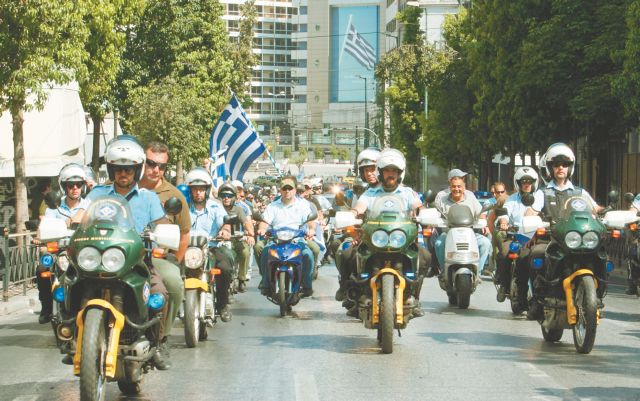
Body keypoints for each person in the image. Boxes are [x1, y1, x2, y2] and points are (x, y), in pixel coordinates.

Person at [85, 135, 174, 370]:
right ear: (112, 169)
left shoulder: (148, 197)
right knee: (66, 284)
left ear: (137, 170)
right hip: (101, 260)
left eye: (129, 169)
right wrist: (68, 225)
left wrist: (162, 238)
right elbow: (80, 217)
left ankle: (156, 343)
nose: (123, 174)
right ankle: (70, 334)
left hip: (137, 262)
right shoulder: (97, 194)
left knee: (159, 294)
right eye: (118, 169)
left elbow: (162, 223)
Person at [348, 148, 430, 317]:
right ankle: (358, 295)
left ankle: (414, 297)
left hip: (401, 241)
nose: (390, 174)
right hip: (375, 241)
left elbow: (418, 206)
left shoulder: (407, 193)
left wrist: (426, 214)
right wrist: (352, 215)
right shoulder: (370, 193)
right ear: (381, 173)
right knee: (351, 254)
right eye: (387, 171)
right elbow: (360, 207)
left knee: (425, 256)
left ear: (400, 173)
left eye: (394, 171)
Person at [526, 143, 603, 317]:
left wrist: (607, 212)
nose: (561, 168)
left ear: (570, 168)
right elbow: (531, 211)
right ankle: (537, 301)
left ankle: (597, 294)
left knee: (601, 255)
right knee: (535, 255)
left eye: (565, 164)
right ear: (550, 167)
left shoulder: (580, 192)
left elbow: (595, 209)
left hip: (577, 239)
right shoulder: (543, 193)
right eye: (556, 164)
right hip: (552, 238)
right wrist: (532, 218)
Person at [138, 141, 189, 349]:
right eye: (150, 163)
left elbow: (184, 235)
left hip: (155, 257)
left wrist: (173, 260)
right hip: (122, 254)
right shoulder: (128, 187)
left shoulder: (174, 195)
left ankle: (161, 337)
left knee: (174, 283)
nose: (155, 170)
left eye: (161, 166)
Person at [37, 163, 89, 324]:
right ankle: (46, 308)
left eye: (78, 184)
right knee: (42, 268)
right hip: (60, 250)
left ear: (83, 186)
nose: (74, 188)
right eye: (70, 185)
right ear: (64, 186)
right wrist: (41, 240)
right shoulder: (55, 207)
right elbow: (43, 228)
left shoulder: (89, 205)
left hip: (84, 250)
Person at [185, 167, 234, 322]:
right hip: (187, 249)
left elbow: (225, 223)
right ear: (190, 190)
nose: (198, 193)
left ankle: (222, 304)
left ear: (206, 190)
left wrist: (225, 231)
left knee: (225, 267)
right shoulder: (183, 206)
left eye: (201, 189)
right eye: (195, 189)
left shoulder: (215, 206)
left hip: (211, 248)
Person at [254, 176, 316, 297]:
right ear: (280, 190)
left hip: (296, 240)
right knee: (265, 251)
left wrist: (311, 230)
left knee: (308, 255)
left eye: (290, 188)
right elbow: (265, 221)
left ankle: (307, 285)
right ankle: (266, 282)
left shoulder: (302, 205)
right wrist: (262, 229)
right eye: (284, 188)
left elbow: (310, 221)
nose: (287, 191)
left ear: (294, 190)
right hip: (276, 239)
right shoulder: (273, 206)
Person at [494, 166, 540, 306]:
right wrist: (503, 221)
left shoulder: (540, 197)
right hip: (516, 236)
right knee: (505, 252)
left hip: (537, 237)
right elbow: (504, 213)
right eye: (523, 182)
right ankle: (504, 285)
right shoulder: (512, 199)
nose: (527, 184)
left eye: (530, 181)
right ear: (518, 183)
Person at [433, 170, 491, 281]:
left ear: (464, 188)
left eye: (459, 186)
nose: (457, 189)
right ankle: (444, 271)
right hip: (448, 234)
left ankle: (478, 271)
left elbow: (480, 213)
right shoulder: (442, 198)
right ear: (450, 187)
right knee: (439, 243)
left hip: (470, 234)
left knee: (485, 243)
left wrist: (484, 223)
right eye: (454, 187)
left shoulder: (471, 196)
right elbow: (435, 213)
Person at [218, 182, 255, 292]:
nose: (226, 198)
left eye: (229, 196)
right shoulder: (215, 208)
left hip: (235, 239)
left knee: (245, 252)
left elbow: (246, 223)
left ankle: (242, 278)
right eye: (224, 196)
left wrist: (250, 233)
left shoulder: (238, 209)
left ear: (234, 197)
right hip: (219, 240)